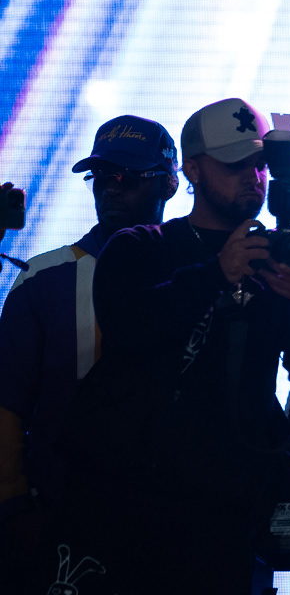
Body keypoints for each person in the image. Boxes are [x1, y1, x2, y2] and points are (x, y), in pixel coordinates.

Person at [29, 98, 290, 595]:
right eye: (234, 165)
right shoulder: (141, 247)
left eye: (260, 165)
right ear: (193, 170)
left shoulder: (274, 262)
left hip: (219, 517)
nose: (253, 178)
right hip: (117, 504)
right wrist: (216, 275)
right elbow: (130, 329)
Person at [0, 116, 178, 590]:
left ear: (170, 183)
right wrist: (15, 507)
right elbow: (7, 405)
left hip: (178, 518)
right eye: (101, 175)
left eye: (128, 176)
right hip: (65, 516)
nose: (111, 187)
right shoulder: (44, 279)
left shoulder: (203, 273)